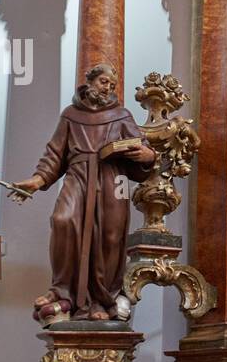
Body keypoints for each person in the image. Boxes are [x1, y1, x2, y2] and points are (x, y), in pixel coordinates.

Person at [11, 62, 155, 323]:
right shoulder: (71, 115)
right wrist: (37, 180)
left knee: (110, 237)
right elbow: (55, 153)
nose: (108, 88)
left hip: (113, 178)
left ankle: (102, 298)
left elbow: (143, 150)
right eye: (103, 82)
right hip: (78, 175)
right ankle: (61, 290)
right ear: (89, 81)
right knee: (63, 220)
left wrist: (146, 154)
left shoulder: (122, 115)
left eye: (112, 85)